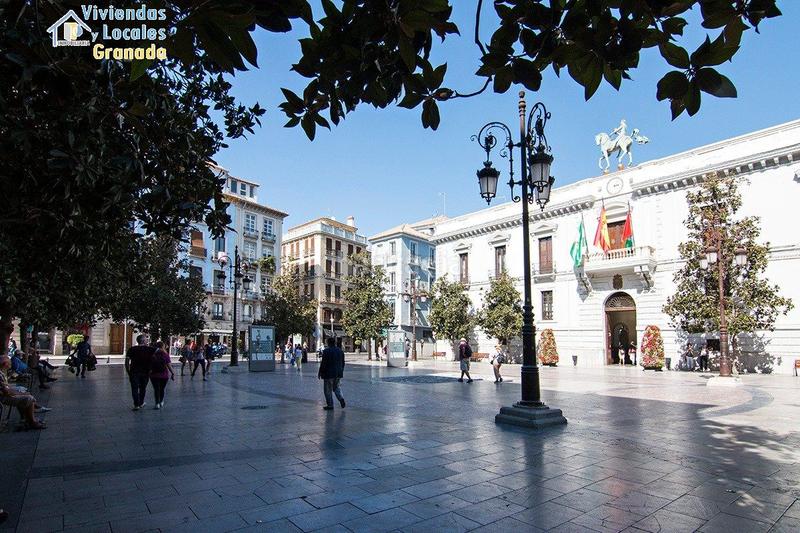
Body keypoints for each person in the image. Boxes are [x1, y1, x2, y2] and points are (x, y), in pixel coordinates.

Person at [0, 355, 47, 429]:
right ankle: (32, 422)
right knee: (28, 398)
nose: (11, 364)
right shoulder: (0, 374)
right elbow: (7, 392)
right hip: (3, 397)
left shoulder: (2, 372)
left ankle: (26, 418)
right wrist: (21, 393)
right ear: (5, 364)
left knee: (24, 391)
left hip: (5, 393)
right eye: (9, 363)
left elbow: (6, 387)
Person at [125, 334, 155, 410]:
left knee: (134, 388)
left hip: (134, 372)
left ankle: (136, 404)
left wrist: (128, 371)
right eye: (146, 339)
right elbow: (160, 352)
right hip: (145, 372)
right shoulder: (150, 349)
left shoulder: (131, 349)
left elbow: (127, 362)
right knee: (143, 388)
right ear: (144, 341)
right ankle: (141, 402)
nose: (147, 341)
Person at [318, 337, 345, 410]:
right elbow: (343, 363)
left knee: (328, 390)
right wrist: (341, 371)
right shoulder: (340, 351)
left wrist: (320, 372)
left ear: (328, 343)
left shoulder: (326, 351)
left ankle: (330, 405)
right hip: (338, 373)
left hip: (328, 374)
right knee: (336, 387)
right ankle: (341, 398)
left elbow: (324, 363)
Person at [150, 341, 174, 409]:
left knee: (156, 389)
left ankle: (157, 403)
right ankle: (161, 401)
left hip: (154, 375)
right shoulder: (165, 354)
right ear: (163, 346)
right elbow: (169, 365)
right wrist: (172, 373)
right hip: (164, 375)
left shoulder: (153, 354)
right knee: (162, 389)